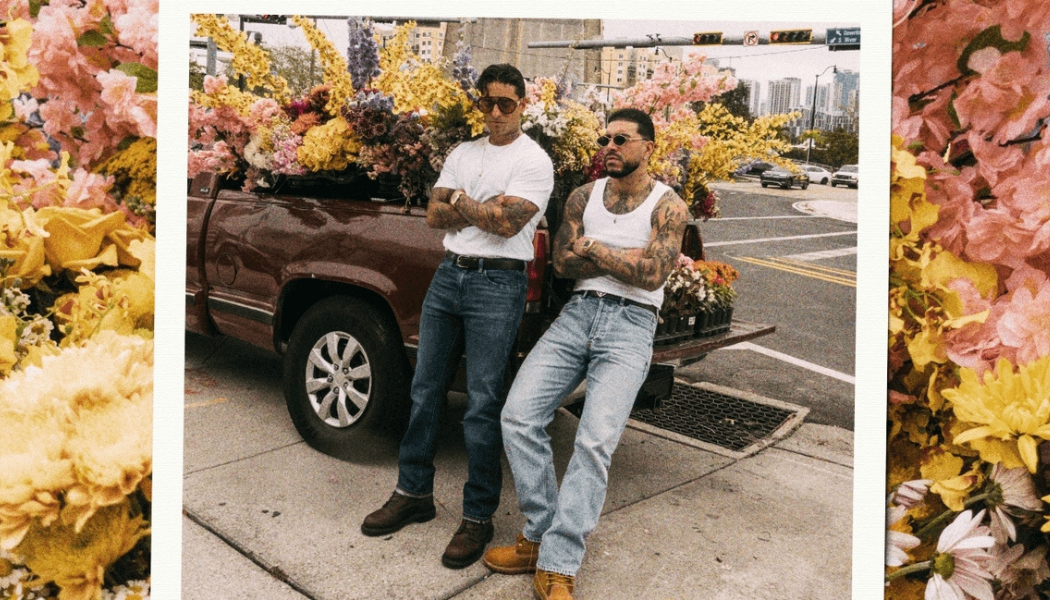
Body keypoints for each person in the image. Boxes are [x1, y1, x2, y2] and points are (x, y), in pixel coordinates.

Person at [482, 108, 688, 600]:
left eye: (621, 139)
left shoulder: (668, 205)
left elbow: (652, 276)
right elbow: (561, 263)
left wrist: (591, 248)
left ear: (648, 147)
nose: (609, 147)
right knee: (518, 416)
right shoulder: (583, 195)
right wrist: (623, 255)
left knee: (594, 443)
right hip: (577, 314)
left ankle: (559, 561)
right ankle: (539, 533)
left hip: (632, 324)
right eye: (604, 139)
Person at [360, 63, 554, 570]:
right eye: (487, 102)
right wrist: (481, 206)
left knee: (483, 401)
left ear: (522, 105)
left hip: (499, 283)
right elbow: (433, 214)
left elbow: (507, 223)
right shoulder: (463, 152)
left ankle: (477, 516)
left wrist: (460, 200)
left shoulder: (534, 161)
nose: (496, 112)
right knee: (424, 389)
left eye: (506, 104)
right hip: (450, 275)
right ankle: (413, 493)